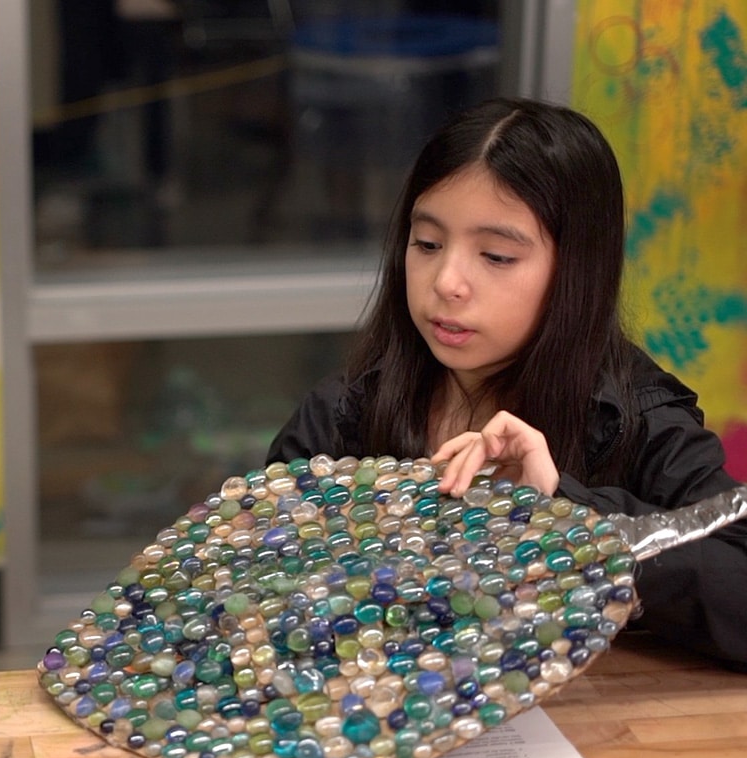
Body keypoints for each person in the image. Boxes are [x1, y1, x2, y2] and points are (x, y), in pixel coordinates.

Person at [266, 97, 747, 670]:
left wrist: (566, 514)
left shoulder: (638, 417)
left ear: (576, 269)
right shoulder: (344, 411)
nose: (447, 281)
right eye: (427, 244)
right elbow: (248, 587)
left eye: (495, 256)